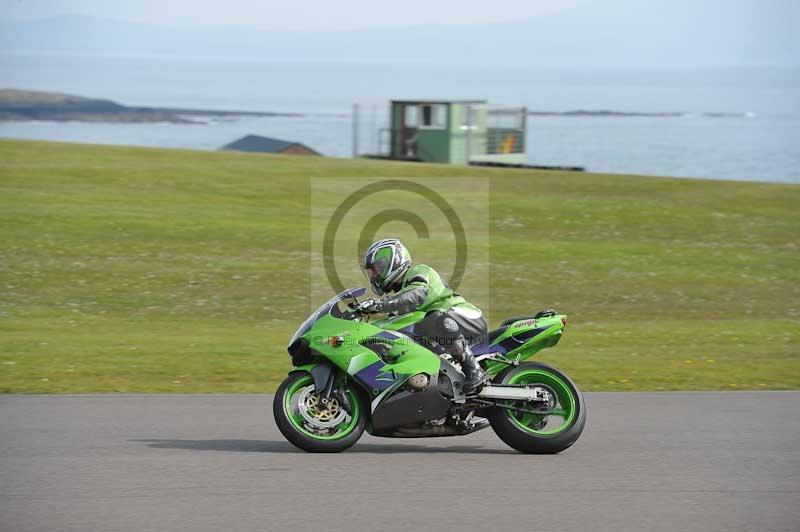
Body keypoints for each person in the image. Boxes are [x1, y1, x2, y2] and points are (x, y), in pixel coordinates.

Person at [358, 238, 488, 393]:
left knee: (435, 318)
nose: (373, 276)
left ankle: (474, 371)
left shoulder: (419, 272)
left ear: (391, 263)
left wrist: (378, 304)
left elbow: (415, 295)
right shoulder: (399, 298)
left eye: (375, 269)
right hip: (441, 333)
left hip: (464, 317)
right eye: (371, 272)